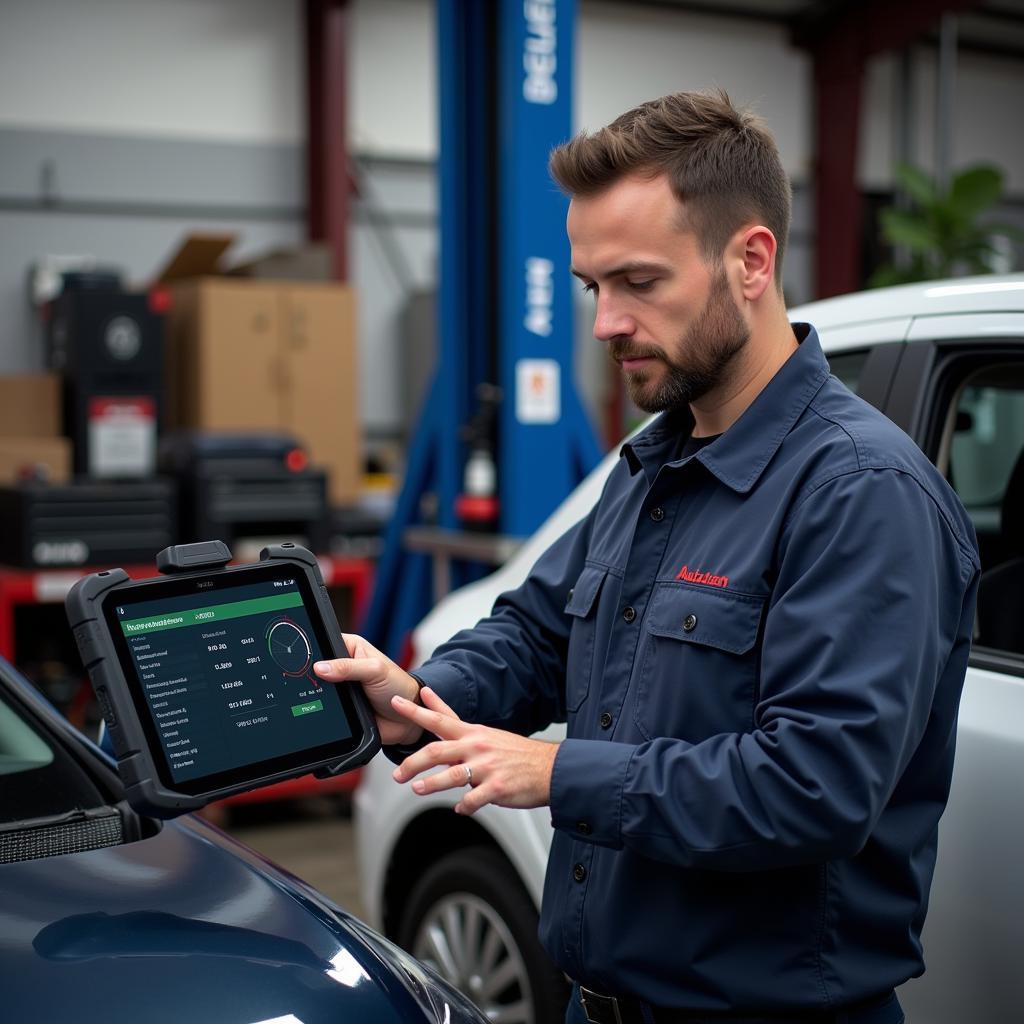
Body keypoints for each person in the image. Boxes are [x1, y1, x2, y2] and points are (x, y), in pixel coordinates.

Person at [314, 91, 980, 1024]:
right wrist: (423, 698)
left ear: (750, 261)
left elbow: (816, 786)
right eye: (594, 287)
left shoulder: (861, 494)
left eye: (639, 283)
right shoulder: (656, 461)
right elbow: (541, 633)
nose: (605, 324)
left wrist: (557, 773)